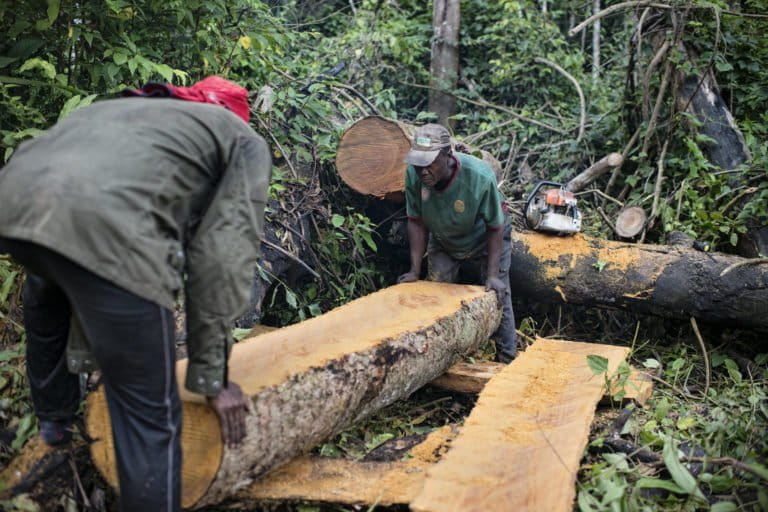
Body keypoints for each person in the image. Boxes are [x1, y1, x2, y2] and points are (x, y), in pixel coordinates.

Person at [0, 76, 271, 511]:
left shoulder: (128, 110)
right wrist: (211, 377)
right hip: (105, 223)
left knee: (47, 277)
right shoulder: (242, 139)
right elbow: (222, 256)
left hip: (13, 197)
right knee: (152, 419)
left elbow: (75, 222)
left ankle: (54, 422)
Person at [397, 123, 516, 363]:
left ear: (447, 155)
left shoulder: (479, 176)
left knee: (498, 293)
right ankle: (437, 359)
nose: (423, 171)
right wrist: (414, 270)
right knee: (436, 295)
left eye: (429, 163)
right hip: (444, 239)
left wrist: (492, 274)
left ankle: (507, 358)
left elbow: (495, 226)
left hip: (485, 238)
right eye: (418, 164)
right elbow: (416, 221)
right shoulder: (414, 174)